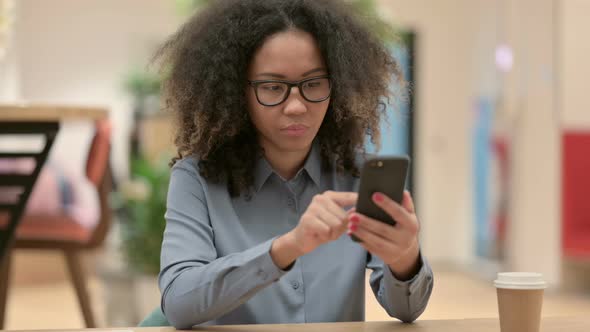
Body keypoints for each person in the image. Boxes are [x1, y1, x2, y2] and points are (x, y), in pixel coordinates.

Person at [156, 0, 433, 328]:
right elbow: (178, 302)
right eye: (273, 88)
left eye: (313, 84)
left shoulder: (360, 178)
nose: (297, 106)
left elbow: (406, 311)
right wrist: (287, 248)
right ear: (235, 92)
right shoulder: (196, 180)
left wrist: (405, 262)